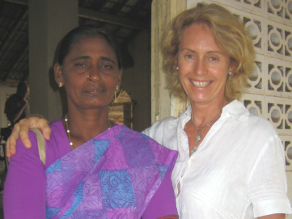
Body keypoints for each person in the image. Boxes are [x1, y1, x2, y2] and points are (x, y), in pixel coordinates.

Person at [6, 3, 292, 219]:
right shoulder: (157, 137)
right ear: (176, 62)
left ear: (232, 64)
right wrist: (29, 122)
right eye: (189, 56)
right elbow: (109, 147)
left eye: (213, 57)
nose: (200, 70)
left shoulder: (257, 138)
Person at [3, 25, 179, 219]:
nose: (95, 75)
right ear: (59, 73)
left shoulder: (145, 154)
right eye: (81, 64)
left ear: (118, 78)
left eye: (106, 66)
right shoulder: (33, 146)